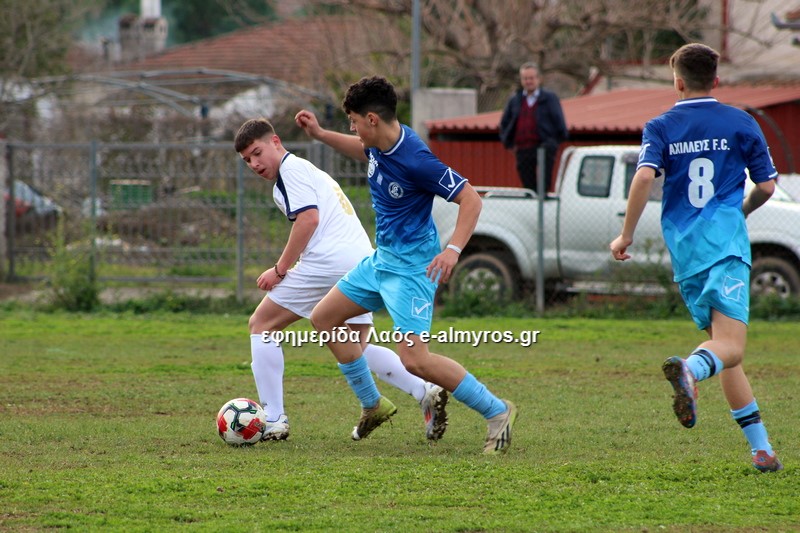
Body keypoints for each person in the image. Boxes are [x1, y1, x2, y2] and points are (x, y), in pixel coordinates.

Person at [295, 76, 518, 455]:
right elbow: (361, 150)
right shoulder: (378, 144)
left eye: (353, 121)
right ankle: (373, 405)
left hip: (413, 270)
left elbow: (471, 199)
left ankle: (497, 412)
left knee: (415, 360)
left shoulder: (416, 159)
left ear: (371, 119)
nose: (352, 128)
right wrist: (320, 134)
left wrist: (453, 250)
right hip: (381, 261)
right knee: (324, 318)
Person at [610, 43, 782, 472]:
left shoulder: (660, 126)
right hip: (724, 245)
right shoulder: (741, 122)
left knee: (723, 349)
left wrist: (626, 234)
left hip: (685, 251)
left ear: (678, 82)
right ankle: (689, 368)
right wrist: (741, 211)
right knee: (730, 348)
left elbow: (643, 178)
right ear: (716, 80)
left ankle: (761, 450)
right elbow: (766, 187)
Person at [233, 117, 449, 442]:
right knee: (356, 347)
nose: (254, 163)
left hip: (328, 261)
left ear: (276, 142)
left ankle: (275, 418)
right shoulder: (304, 171)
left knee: (261, 325)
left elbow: (308, 220)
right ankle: (424, 391)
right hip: (359, 259)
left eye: (257, 153)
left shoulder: (291, 170)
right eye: (247, 160)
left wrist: (280, 270)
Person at [499, 62, 568, 195]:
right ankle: (532, 202)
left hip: (544, 148)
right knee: (528, 184)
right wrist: (508, 143)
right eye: (525, 78)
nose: (528, 81)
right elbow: (505, 123)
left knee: (544, 183)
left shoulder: (549, 99)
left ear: (538, 79)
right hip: (523, 148)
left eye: (531, 78)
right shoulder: (515, 100)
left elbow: (559, 123)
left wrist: (552, 143)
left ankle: (543, 201)